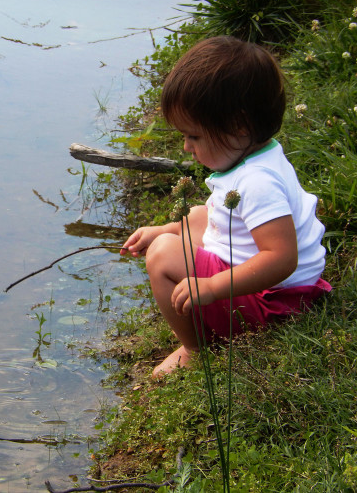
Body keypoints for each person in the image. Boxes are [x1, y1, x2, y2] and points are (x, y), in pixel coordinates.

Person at [120, 36, 331, 377]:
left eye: (195, 136)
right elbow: (221, 219)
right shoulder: (256, 156)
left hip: (274, 301)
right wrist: (167, 229)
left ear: (238, 126)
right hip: (269, 281)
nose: (187, 147)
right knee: (199, 215)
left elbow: (281, 257)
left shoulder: (257, 183)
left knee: (161, 255)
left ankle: (195, 349)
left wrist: (213, 287)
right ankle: (169, 236)